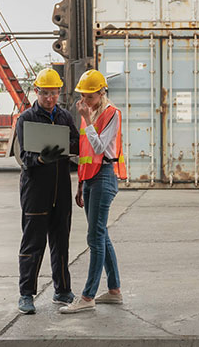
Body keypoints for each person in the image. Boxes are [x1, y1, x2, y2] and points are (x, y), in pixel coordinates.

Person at [59, 69, 127, 314]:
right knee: (101, 235)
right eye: (83, 96)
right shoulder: (89, 114)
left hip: (104, 178)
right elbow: (85, 153)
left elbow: (99, 148)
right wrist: (80, 184)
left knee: (95, 238)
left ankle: (87, 297)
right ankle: (114, 291)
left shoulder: (111, 114)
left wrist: (87, 120)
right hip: (90, 179)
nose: (85, 100)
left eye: (90, 96)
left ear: (101, 93)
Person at [16, 68, 80, 314]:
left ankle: (62, 290)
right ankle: (26, 294)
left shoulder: (64, 117)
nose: (50, 98)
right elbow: (25, 157)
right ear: (36, 92)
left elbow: (76, 142)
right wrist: (41, 159)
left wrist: (65, 147)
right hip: (36, 191)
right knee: (33, 243)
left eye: (53, 94)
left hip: (61, 189)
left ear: (59, 92)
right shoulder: (26, 119)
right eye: (45, 94)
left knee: (61, 241)